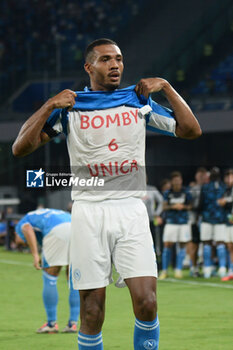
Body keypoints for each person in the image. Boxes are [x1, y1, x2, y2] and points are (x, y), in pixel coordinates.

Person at [12, 38, 201, 349]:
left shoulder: (139, 101)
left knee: (147, 302)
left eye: (119, 59)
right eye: (105, 60)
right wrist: (48, 105)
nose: (115, 65)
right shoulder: (70, 108)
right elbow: (21, 148)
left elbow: (191, 130)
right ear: (89, 67)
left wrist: (165, 87)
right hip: (88, 212)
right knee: (91, 311)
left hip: (131, 210)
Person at [15, 208, 80, 333]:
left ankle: (51, 323)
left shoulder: (22, 222)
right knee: (73, 278)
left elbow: (27, 229)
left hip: (56, 231)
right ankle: (73, 323)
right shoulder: (49, 212)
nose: (20, 243)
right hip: (76, 229)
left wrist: (35, 254)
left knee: (50, 275)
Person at [159, 171, 192, 279]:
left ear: (181, 180)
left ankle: (178, 269)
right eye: (175, 180)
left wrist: (183, 207)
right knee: (167, 245)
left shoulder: (186, 192)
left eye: (178, 180)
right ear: (172, 181)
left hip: (183, 222)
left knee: (182, 245)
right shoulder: (167, 193)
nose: (177, 182)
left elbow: (191, 206)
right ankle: (164, 270)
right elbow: (164, 207)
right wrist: (173, 206)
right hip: (171, 222)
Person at [199, 167, 227, 278]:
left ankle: (207, 269)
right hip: (220, 219)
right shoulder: (224, 187)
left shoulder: (205, 187)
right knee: (220, 244)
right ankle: (222, 268)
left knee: (207, 244)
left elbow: (200, 204)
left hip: (207, 218)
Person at [187, 167, 208, 277]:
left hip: (206, 220)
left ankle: (207, 268)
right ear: (196, 177)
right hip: (194, 220)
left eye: (203, 176)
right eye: (200, 176)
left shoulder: (209, 188)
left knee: (206, 244)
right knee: (194, 244)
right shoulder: (192, 189)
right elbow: (189, 204)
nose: (201, 178)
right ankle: (193, 268)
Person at [218, 169, 233, 281]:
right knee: (230, 247)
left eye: (231, 177)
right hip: (228, 222)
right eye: (227, 177)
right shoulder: (226, 191)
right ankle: (231, 271)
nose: (229, 180)